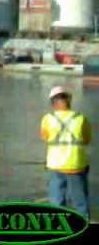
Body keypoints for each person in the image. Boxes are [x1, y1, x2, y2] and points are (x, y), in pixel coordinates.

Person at [41, 84, 92, 219]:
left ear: (53, 102)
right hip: (76, 165)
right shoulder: (81, 118)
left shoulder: (47, 119)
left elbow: (45, 138)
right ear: (69, 100)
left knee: (56, 201)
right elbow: (87, 140)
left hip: (55, 165)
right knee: (80, 202)